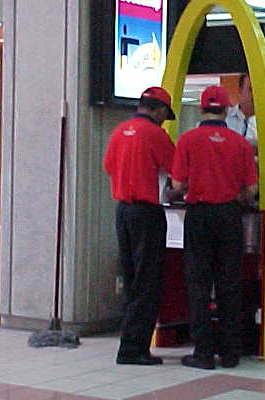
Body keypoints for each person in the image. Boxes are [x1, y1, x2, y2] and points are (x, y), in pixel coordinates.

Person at [172, 85, 258, 370]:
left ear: (201, 108)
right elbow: (251, 189)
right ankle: (231, 352)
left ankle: (203, 353)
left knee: (198, 285)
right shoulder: (240, 143)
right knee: (229, 284)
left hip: (199, 216)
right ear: (225, 110)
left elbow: (178, 185)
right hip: (229, 217)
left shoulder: (187, 140)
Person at [103, 86, 176, 366]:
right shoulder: (156, 135)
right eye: (164, 115)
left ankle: (128, 343)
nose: (163, 120)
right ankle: (134, 349)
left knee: (132, 279)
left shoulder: (120, 131)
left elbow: (109, 166)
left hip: (123, 211)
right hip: (147, 213)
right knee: (148, 281)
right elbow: (177, 170)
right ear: (157, 110)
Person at [226, 73, 257, 144]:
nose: (254, 95)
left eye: (258, 91)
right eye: (251, 90)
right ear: (240, 90)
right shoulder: (225, 118)